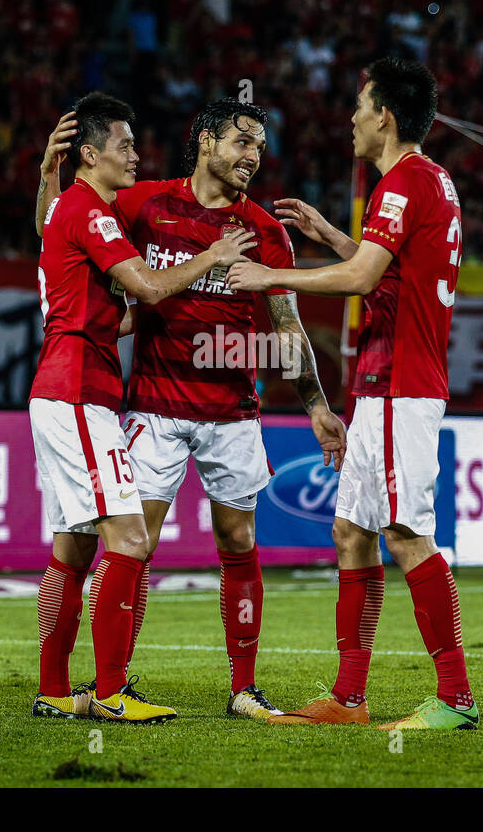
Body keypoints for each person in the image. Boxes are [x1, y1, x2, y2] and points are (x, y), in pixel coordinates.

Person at [36, 99, 346, 719]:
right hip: (155, 406)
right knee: (135, 542)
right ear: (206, 142)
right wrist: (49, 176)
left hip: (232, 410)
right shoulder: (143, 202)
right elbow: (61, 225)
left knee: (238, 538)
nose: (253, 155)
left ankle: (243, 687)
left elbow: (285, 326)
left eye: (260, 145)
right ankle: (113, 684)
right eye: (242, 141)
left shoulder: (266, 231)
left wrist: (316, 404)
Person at [227, 57, 479, 730]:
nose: (352, 117)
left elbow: (365, 278)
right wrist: (335, 237)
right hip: (382, 384)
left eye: (360, 106)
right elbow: (394, 272)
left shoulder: (401, 183)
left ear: (385, 118)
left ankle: (455, 696)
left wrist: (274, 274)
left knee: (405, 534)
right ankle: (349, 698)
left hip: (402, 383)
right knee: (351, 533)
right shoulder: (433, 181)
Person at [28, 91, 256, 723]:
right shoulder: (94, 212)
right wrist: (211, 257)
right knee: (129, 538)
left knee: (74, 545)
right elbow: (151, 286)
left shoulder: (71, 207)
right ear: (90, 153)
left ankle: (53, 690)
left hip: (68, 386)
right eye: (124, 146)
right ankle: (110, 691)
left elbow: (109, 300)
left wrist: (45, 179)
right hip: (78, 392)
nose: (136, 156)